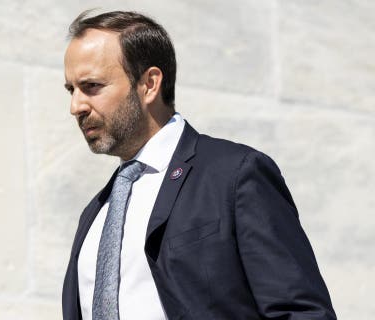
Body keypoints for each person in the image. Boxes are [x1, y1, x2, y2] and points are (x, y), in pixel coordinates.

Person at [61, 10, 336, 320]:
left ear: (149, 83)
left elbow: (301, 312)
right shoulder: (95, 214)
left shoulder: (234, 175)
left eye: (92, 86)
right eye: (72, 90)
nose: (76, 107)